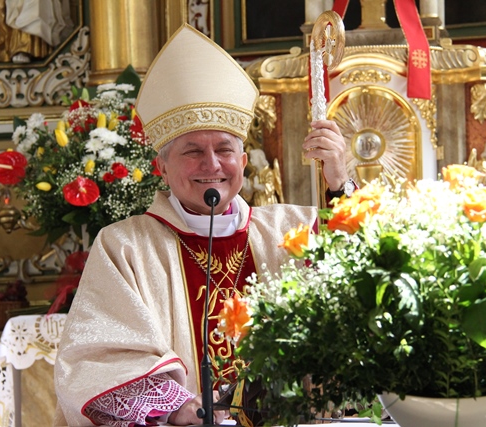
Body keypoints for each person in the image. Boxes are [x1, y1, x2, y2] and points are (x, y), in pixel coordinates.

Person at [54, 24, 353, 427]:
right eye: (192, 151)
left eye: (224, 150)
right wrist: (179, 406)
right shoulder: (125, 246)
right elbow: (97, 359)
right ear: (162, 168)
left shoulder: (292, 231)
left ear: (242, 163)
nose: (211, 165)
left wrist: (339, 182)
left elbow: (360, 277)